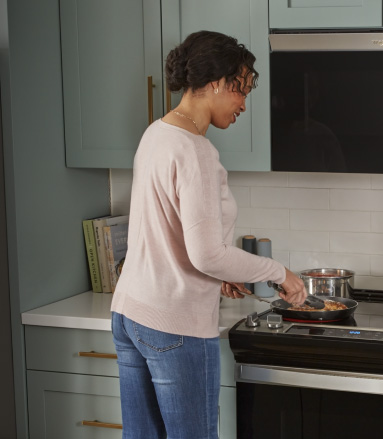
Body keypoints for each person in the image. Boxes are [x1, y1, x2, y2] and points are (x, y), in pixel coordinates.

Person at [109, 30, 308, 439]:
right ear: (216, 81)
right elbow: (206, 254)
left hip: (130, 312)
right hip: (174, 325)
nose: (244, 105)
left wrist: (220, 277)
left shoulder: (157, 133)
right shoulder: (196, 151)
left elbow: (169, 237)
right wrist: (278, 272)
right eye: (241, 90)